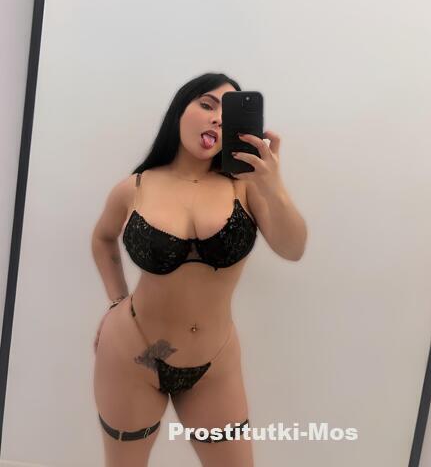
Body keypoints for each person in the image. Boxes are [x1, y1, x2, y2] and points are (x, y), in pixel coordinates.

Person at [91, 72, 305, 466]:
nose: (217, 118)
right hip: (137, 355)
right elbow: (103, 239)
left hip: (214, 364)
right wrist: (116, 300)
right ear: (179, 110)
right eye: (207, 105)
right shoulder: (134, 187)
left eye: (228, 114)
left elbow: (293, 249)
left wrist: (273, 184)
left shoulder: (246, 189)